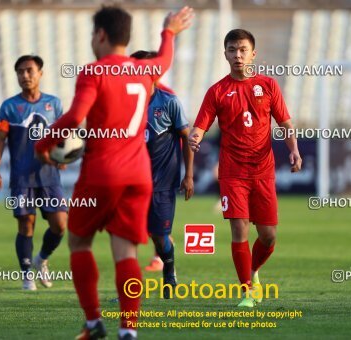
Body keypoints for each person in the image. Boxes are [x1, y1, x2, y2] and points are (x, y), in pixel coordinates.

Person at [35, 6, 194, 340]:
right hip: (139, 176)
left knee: (79, 242)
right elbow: (165, 58)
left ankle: (93, 323)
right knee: (127, 253)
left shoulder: (94, 72)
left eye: (93, 33)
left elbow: (75, 116)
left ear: (101, 35)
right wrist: (169, 31)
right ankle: (129, 331)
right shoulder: (145, 70)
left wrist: (43, 145)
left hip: (102, 173)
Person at [188, 29, 302, 308]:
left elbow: (285, 124)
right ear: (224, 53)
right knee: (239, 230)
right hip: (233, 172)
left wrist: (294, 150)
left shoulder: (269, 86)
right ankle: (248, 292)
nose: (237, 55)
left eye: (242, 50)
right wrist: (195, 137)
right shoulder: (217, 91)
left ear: (253, 53)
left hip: (263, 171)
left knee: (268, 235)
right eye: (231, 50)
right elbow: (200, 126)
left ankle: (253, 271)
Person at [0, 55, 67, 291]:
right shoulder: (9, 107)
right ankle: (26, 276)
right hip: (22, 178)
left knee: (60, 224)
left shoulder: (54, 104)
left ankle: (41, 258)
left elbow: (63, 136)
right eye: (20, 72)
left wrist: (62, 157)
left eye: (29, 71)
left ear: (40, 73)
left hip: (50, 176)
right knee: (26, 225)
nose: (25, 76)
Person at [131, 50, 194, 298]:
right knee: (126, 237)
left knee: (160, 236)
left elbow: (188, 139)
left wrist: (188, 175)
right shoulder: (122, 105)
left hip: (161, 184)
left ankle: (169, 269)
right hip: (130, 183)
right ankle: (128, 288)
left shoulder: (169, 102)